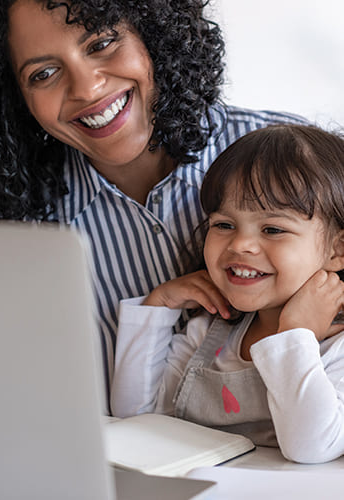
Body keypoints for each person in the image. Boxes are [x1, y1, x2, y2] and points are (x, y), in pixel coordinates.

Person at [0, 0, 307, 400]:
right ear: (12, 100)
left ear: (152, 33)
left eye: (101, 44)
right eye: (43, 73)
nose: (87, 88)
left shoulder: (308, 168)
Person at [111, 124, 344, 463]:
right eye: (223, 225)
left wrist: (297, 334)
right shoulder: (209, 333)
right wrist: (157, 307)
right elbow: (136, 417)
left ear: (337, 250)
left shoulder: (336, 346)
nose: (240, 244)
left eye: (273, 229)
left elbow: (310, 448)